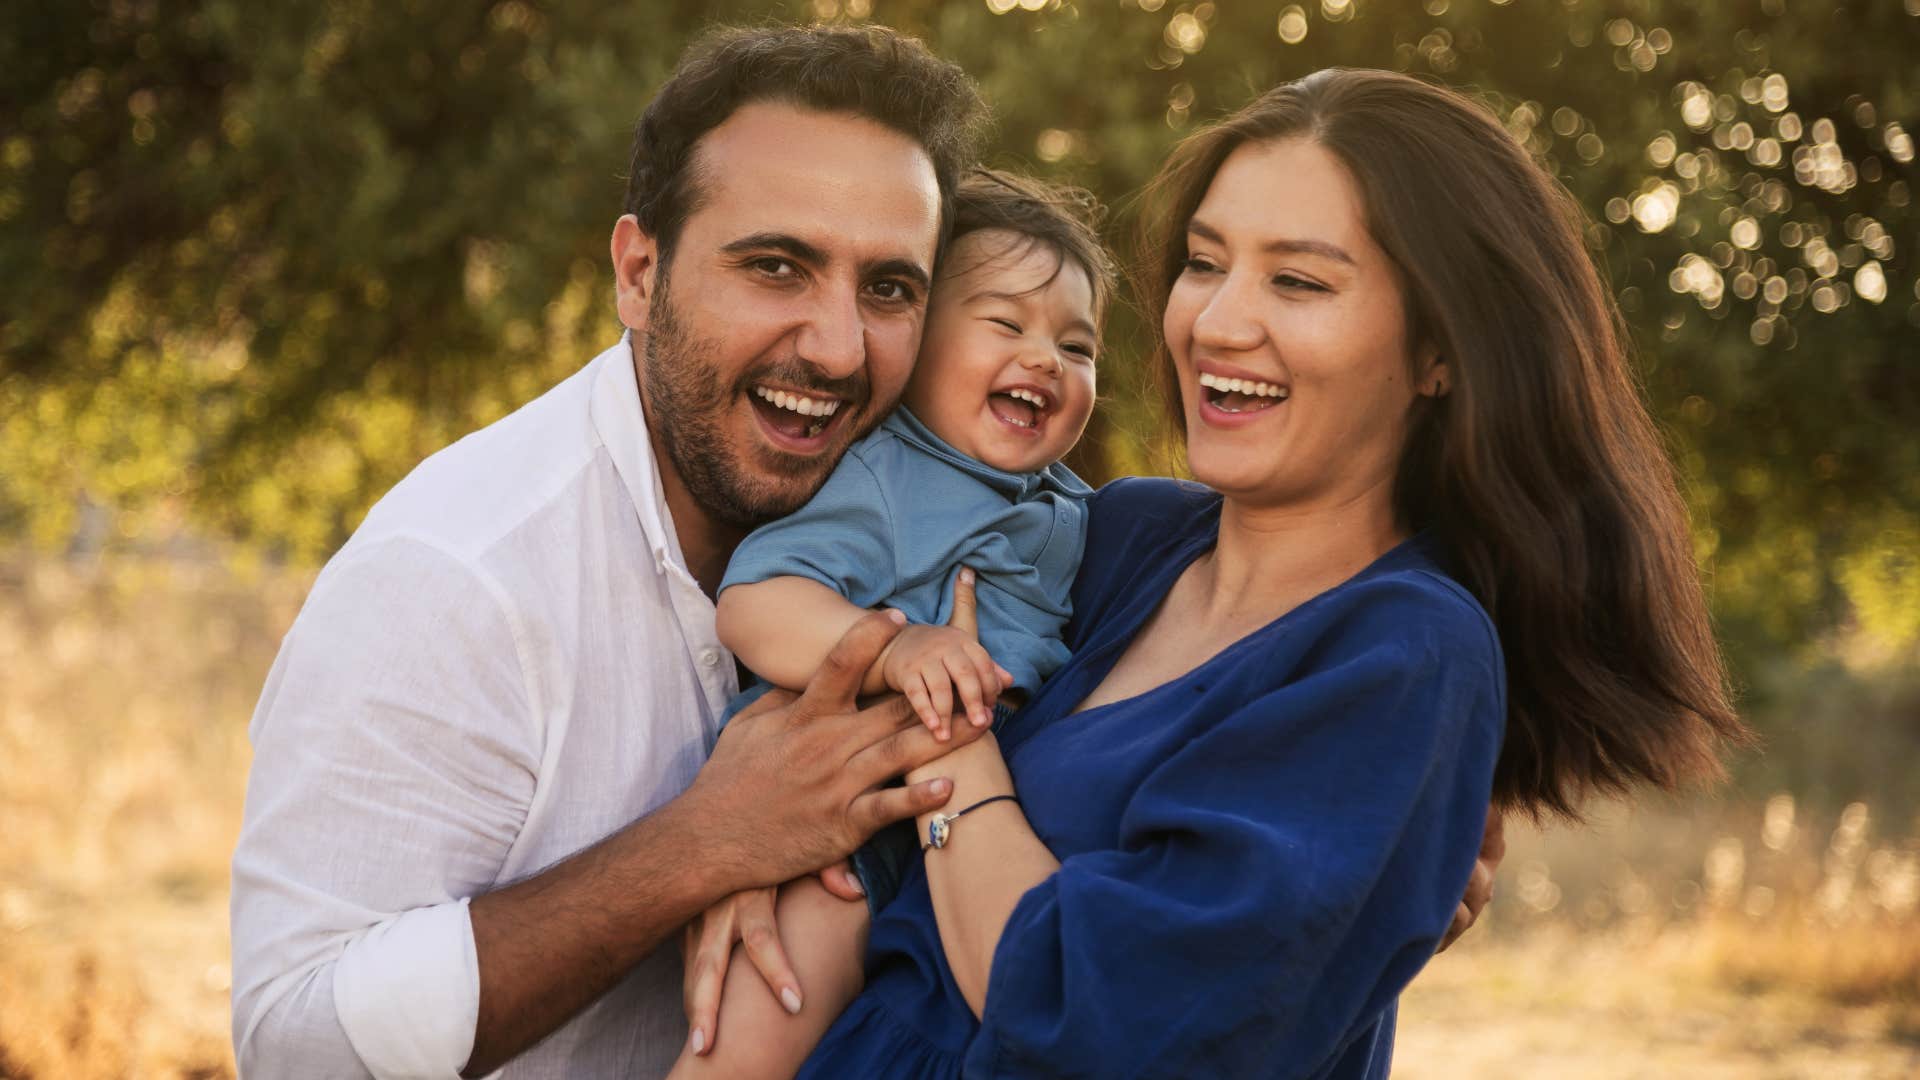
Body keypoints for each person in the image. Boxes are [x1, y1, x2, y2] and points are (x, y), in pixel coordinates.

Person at [761, 68, 1744, 1078]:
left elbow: (1098, 1027)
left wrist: (951, 747)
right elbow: (831, 651)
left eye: (1300, 281)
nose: (1217, 323)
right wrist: (758, 868)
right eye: (1203, 263)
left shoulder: (1405, 655)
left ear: (1439, 350)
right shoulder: (1116, 538)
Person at [228, 24, 998, 1078]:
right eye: (777, 266)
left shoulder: (948, 531)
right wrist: (703, 844)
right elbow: (296, 1041)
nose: (836, 346)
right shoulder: (458, 577)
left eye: (890, 289)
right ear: (639, 273)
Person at [672, 170, 1115, 1077]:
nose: (1046, 360)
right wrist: (895, 645)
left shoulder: (1072, 509)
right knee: (754, 1043)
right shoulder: (888, 477)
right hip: (843, 817)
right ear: (915, 347)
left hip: (964, 836)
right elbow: (754, 603)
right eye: (1007, 325)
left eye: (1078, 346)